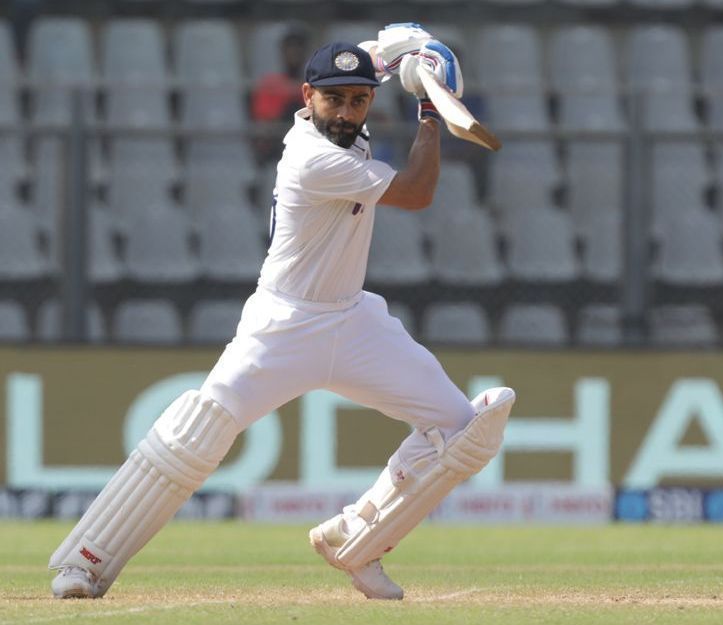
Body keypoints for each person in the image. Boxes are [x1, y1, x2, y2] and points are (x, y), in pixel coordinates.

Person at [48, 25, 514, 602]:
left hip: (354, 322)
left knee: (463, 432)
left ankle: (357, 542)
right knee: (198, 432)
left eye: (360, 100)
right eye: (334, 99)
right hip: (283, 325)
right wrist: (427, 107)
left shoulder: (345, 116)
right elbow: (417, 192)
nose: (346, 112)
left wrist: (409, 51)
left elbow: (373, 57)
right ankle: (85, 561)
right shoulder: (313, 157)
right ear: (306, 98)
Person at [252, 24, 311, 161]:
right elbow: (263, 122)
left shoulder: (315, 85)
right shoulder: (270, 83)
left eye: (298, 47)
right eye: (290, 48)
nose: (294, 53)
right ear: (283, 51)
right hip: (276, 146)